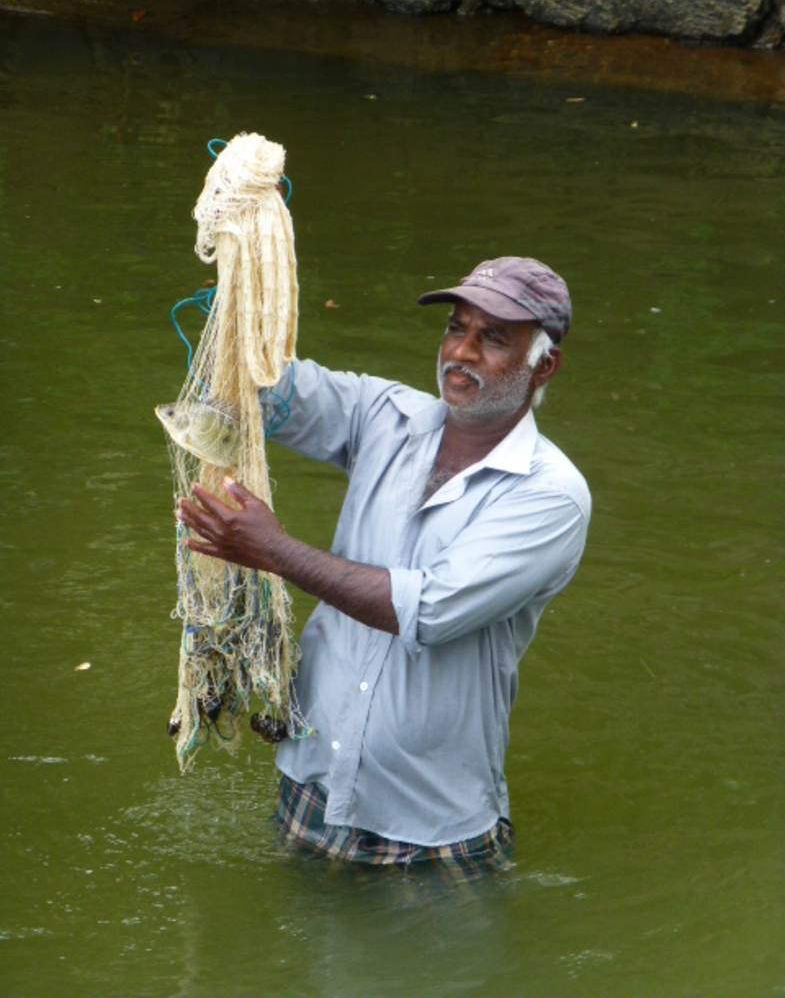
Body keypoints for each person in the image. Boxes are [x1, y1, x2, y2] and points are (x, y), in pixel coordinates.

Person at [177, 256, 591, 872]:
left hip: (430, 826)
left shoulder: (551, 494)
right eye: (456, 328)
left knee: (429, 944)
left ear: (544, 365)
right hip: (310, 784)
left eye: (494, 338)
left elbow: (429, 609)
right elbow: (266, 393)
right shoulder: (385, 416)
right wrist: (241, 298)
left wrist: (275, 551)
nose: (462, 352)